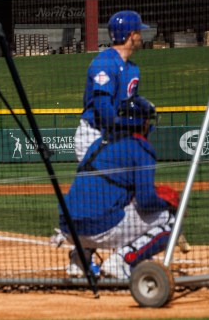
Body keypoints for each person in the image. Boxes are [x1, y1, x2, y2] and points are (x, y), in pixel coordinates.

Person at [59, 94, 179, 279]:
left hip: (67, 228)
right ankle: (122, 261)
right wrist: (167, 204)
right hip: (98, 229)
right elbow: (146, 201)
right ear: (144, 123)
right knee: (171, 221)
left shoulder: (98, 143)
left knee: (95, 202)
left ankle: (79, 261)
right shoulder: (141, 148)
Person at [74, 10, 149, 161]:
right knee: (99, 184)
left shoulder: (133, 69)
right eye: (139, 32)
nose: (141, 36)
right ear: (131, 35)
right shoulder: (105, 62)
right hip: (94, 134)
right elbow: (102, 104)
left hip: (115, 134)